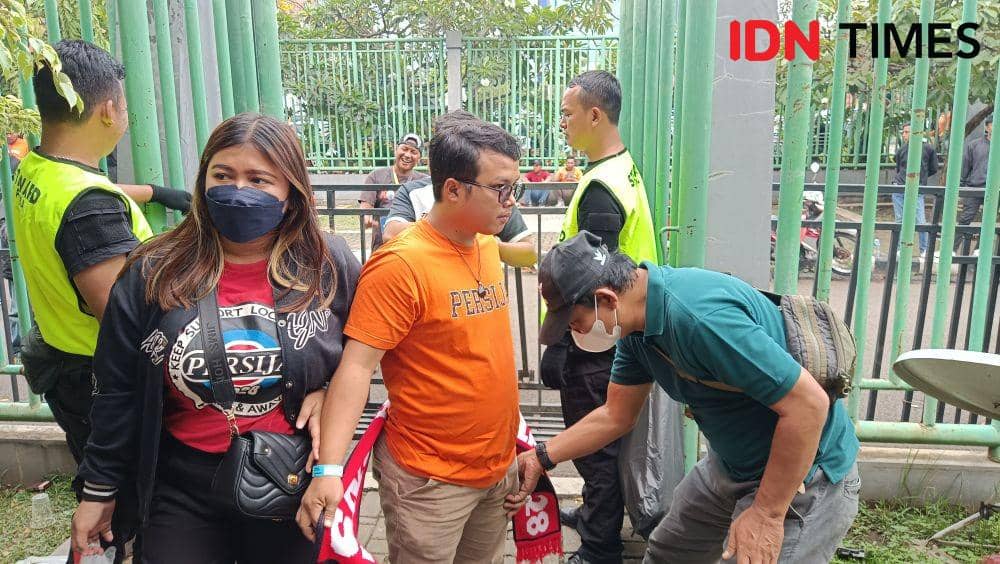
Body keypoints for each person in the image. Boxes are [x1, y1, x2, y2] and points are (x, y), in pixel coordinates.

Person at [71, 113, 361, 562]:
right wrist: (99, 488)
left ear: (290, 196)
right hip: (181, 483)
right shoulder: (153, 270)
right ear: (203, 180)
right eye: (223, 175)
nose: (238, 191)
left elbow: (361, 356)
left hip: (286, 479)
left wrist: (328, 389)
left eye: (259, 180)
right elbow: (117, 388)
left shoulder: (328, 265)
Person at [510, 231, 861, 564]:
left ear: (606, 299)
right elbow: (616, 415)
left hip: (804, 476)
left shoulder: (699, 319)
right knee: (670, 553)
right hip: (730, 464)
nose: (575, 334)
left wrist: (767, 513)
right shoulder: (636, 328)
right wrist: (542, 456)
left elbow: (808, 405)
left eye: (575, 322)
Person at [298, 118, 524, 562]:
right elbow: (357, 368)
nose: (511, 202)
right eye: (500, 189)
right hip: (429, 484)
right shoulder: (400, 266)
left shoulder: (487, 246)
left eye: (514, 187)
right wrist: (329, 469)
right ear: (454, 190)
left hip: (497, 471)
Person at [11, 40, 189, 467]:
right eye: (124, 104)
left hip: (62, 358)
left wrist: (156, 193)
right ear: (108, 109)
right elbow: (123, 313)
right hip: (101, 379)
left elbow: (82, 198)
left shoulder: (36, 169)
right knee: (127, 497)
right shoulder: (88, 205)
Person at [542, 70, 657, 564]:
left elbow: (589, 281)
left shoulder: (600, 189)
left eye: (568, 114)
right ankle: (595, 515)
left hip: (598, 337)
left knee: (596, 445)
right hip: (617, 330)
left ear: (594, 115)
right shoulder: (619, 168)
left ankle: (599, 546)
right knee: (602, 442)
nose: (562, 122)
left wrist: (561, 346)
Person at [383, 110, 536, 268]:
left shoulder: (497, 197)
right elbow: (391, 234)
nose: (509, 199)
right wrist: (456, 236)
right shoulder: (413, 192)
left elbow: (528, 253)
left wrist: (482, 246)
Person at [359, 133, 428, 251]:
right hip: (382, 246)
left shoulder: (424, 181)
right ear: (396, 150)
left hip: (413, 246)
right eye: (404, 149)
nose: (407, 155)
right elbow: (366, 206)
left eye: (413, 152)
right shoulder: (376, 176)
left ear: (419, 158)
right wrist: (366, 216)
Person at [892, 123, 939, 257]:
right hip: (900, 186)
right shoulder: (902, 149)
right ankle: (900, 249)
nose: (905, 135)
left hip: (917, 188)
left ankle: (924, 250)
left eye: (907, 132)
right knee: (900, 220)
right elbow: (898, 168)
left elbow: (933, 168)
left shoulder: (928, 149)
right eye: (904, 132)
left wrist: (920, 178)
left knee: (920, 221)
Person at [957, 114, 992, 250]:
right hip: (975, 186)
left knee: (989, 222)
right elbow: (966, 166)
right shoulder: (974, 145)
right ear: (987, 127)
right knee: (965, 219)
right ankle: (953, 249)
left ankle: (979, 250)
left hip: (994, 189)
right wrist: (962, 185)